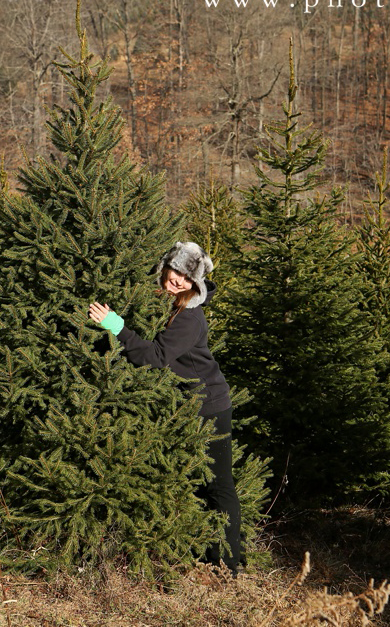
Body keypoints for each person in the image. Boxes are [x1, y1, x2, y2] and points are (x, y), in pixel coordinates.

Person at [87, 241, 243, 575]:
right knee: (198, 483)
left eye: (187, 278)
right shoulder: (166, 302)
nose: (178, 281)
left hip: (209, 406)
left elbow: (155, 357)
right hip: (186, 406)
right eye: (176, 272)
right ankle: (204, 550)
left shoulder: (189, 317)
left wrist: (116, 326)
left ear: (195, 284)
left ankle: (230, 564)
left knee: (218, 484)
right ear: (166, 266)